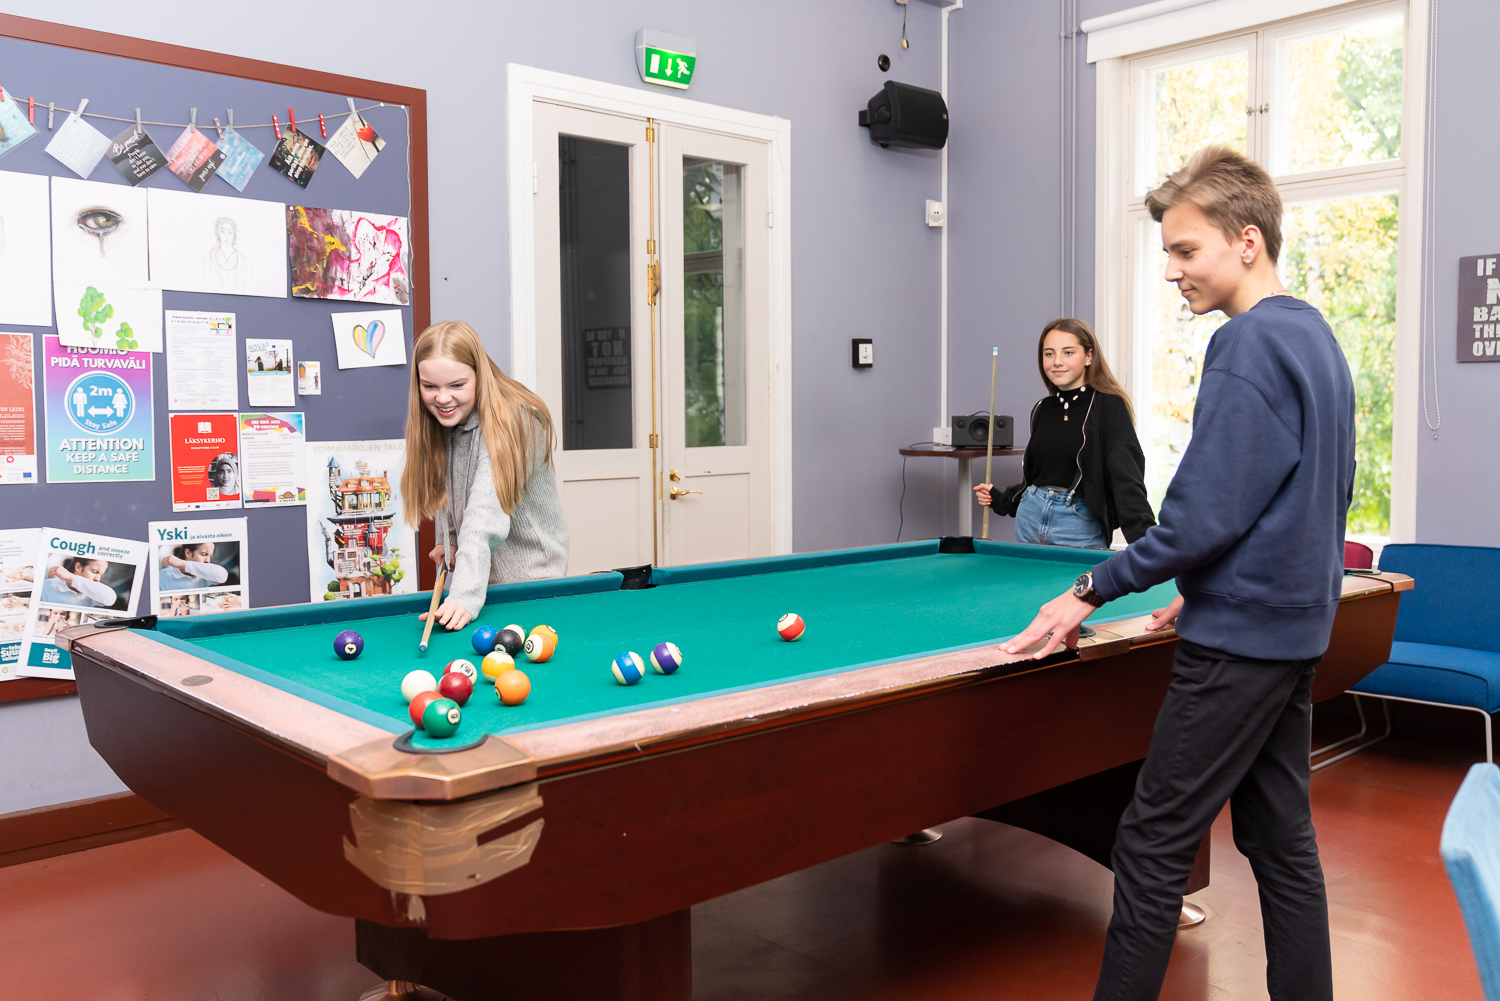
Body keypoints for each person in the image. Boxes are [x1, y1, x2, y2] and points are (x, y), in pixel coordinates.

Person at [1000, 145, 1355, 1001]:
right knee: (1280, 841)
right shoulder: (1315, 335)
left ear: (1247, 241)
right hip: (1294, 629)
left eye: (1185, 251)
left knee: (1153, 842)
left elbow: (1202, 516)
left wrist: (1089, 588)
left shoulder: (1245, 344)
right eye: (1166, 252)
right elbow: (1306, 496)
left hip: (1236, 646)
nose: (1171, 271)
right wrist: (1201, 586)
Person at [401, 320, 568, 633]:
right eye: (430, 387)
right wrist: (448, 538)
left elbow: (483, 515)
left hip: (530, 582)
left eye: (456, 385)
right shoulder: (448, 419)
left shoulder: (515, 421)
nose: (442, 398)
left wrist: (463, 595)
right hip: (483, 581)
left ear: (480, 374)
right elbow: (450, 483)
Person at [973, 318, 1154, 548]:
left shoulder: (1108, 405)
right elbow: (1038, 477)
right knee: (1027, 586)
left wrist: (1148, 545)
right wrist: (1001, 500)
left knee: (1081, 586)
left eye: (1068, 352)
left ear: (1089, 356)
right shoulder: (1042, 409)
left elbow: (1126, 478)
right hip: (1029, 519)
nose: (1057, 362)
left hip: (1078, 525)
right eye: (1049, 354)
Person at [42, 557, 117, 608]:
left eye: (100, 574)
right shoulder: (46, 586)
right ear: (78, 567)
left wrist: (70, 577)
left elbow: (110, 599)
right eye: (95, 572)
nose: (97, 579)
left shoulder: (93, 594)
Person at [159, 542, 229, 592]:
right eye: (204, 554)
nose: (208, 560)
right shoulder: (161, 576)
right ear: (188, 553)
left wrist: (182, 563)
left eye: (209, 556)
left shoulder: (206, 575)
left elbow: (222, 575)